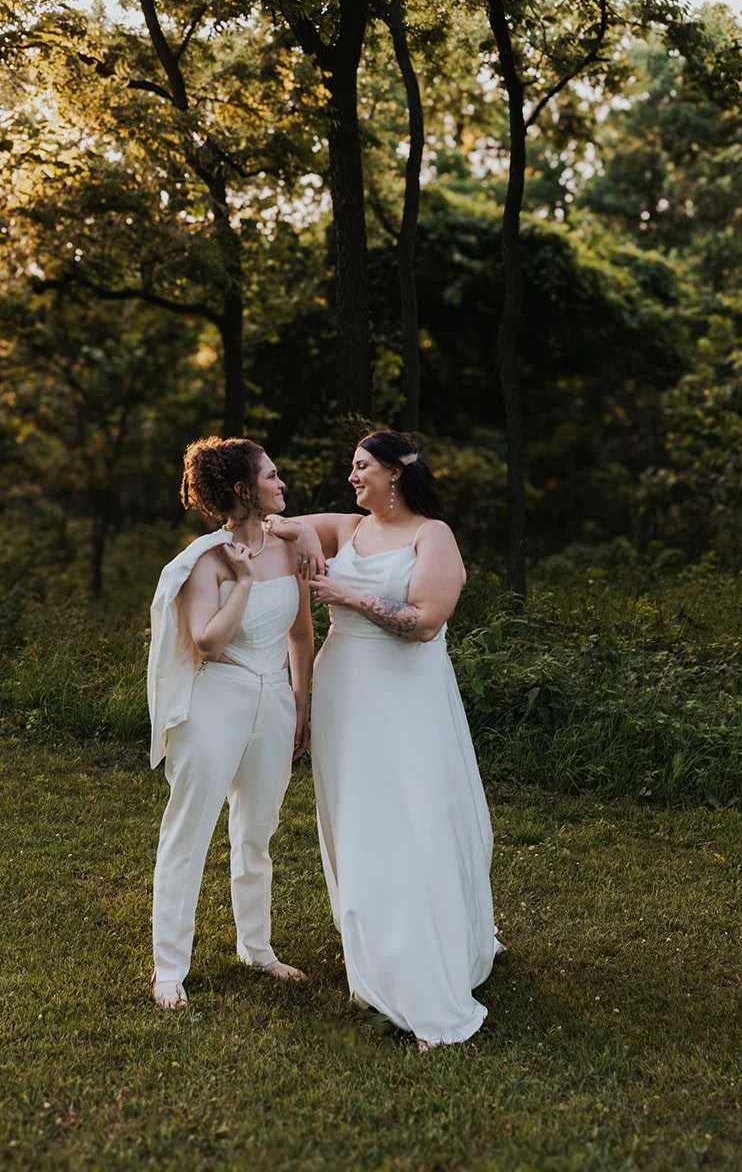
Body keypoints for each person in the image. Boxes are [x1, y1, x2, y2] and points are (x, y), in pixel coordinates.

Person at [269, 429, 499, 1048]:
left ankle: (427, 972)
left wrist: (350, 594)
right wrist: (308, 533)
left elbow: (424, 623)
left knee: (415, 821)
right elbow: (273, 521)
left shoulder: (433, 535)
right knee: (361, 825)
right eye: (352, 466)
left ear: (395, 473)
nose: (352, 476)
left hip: (409, 698)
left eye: (362, 466)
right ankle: (379, 957)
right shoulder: (347, 528)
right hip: (347, 693)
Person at [147, 436, 313, 1010]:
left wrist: (301, 702)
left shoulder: (290, 547)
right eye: (271, 475)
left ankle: (257, 948)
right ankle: (170, 968)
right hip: (217, 699)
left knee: (258, 829)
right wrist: (241, 584)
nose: (281, 481)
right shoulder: (206, 559)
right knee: (189, 831)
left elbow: (300, 632)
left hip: (275, 702)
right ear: (244, 490)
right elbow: (209, 643)